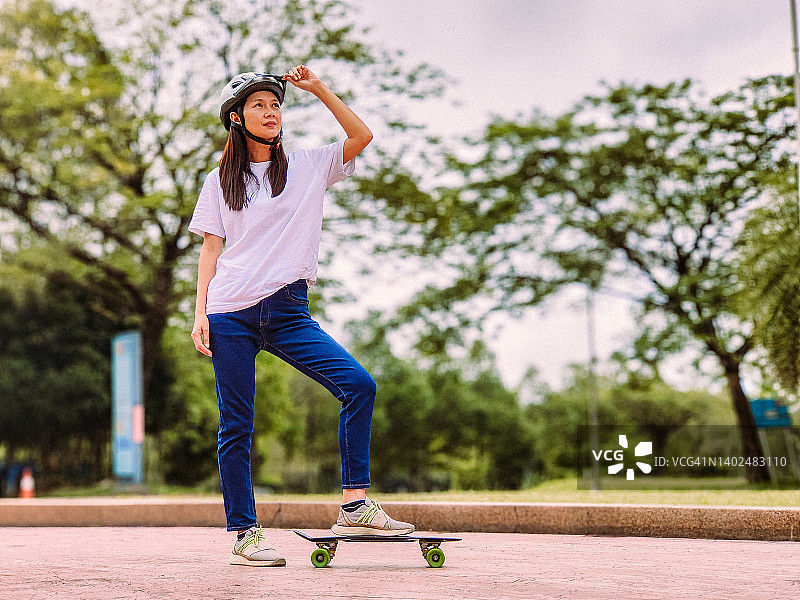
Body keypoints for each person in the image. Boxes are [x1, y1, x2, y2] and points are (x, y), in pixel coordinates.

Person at [189, 65, 414, 567]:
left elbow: (361, 135)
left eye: (275, 105)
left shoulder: (310, 166)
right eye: (258, 106)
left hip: (289, 310)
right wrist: (200, 312)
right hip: (230, 312)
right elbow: (210, 250)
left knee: (358, 385)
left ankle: (355, 503)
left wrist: (317, 90)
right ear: (236, 118)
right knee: (237, 424)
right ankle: (245, 533)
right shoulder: (218, 182)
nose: (270, 113)